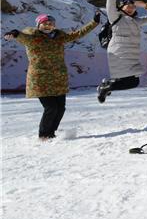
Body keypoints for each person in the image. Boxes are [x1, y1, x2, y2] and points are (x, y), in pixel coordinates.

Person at [4, 12, 100, 140]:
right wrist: (15, 33)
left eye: (51, 24)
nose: (48, 26)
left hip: (58, 77)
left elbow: (77, 34)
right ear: (39, 25)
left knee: (60, 108)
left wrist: (94, 22)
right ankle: (43, 135)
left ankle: (51, 133)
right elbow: (23, 37)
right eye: (45, 23)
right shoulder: (33, 36)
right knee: (51, 107)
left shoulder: (59, 36)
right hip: (40, 78)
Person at [96, 0, 147, 103]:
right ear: (121, 6)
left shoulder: (136, 21)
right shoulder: (115, 17)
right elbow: (110, 7)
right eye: (128, 6)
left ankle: (106, 86)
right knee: (130, 81)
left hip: (130, 55)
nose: (131, 8)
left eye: (133, 6)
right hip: (119, 53)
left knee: (133, 82)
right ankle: (105, 87)